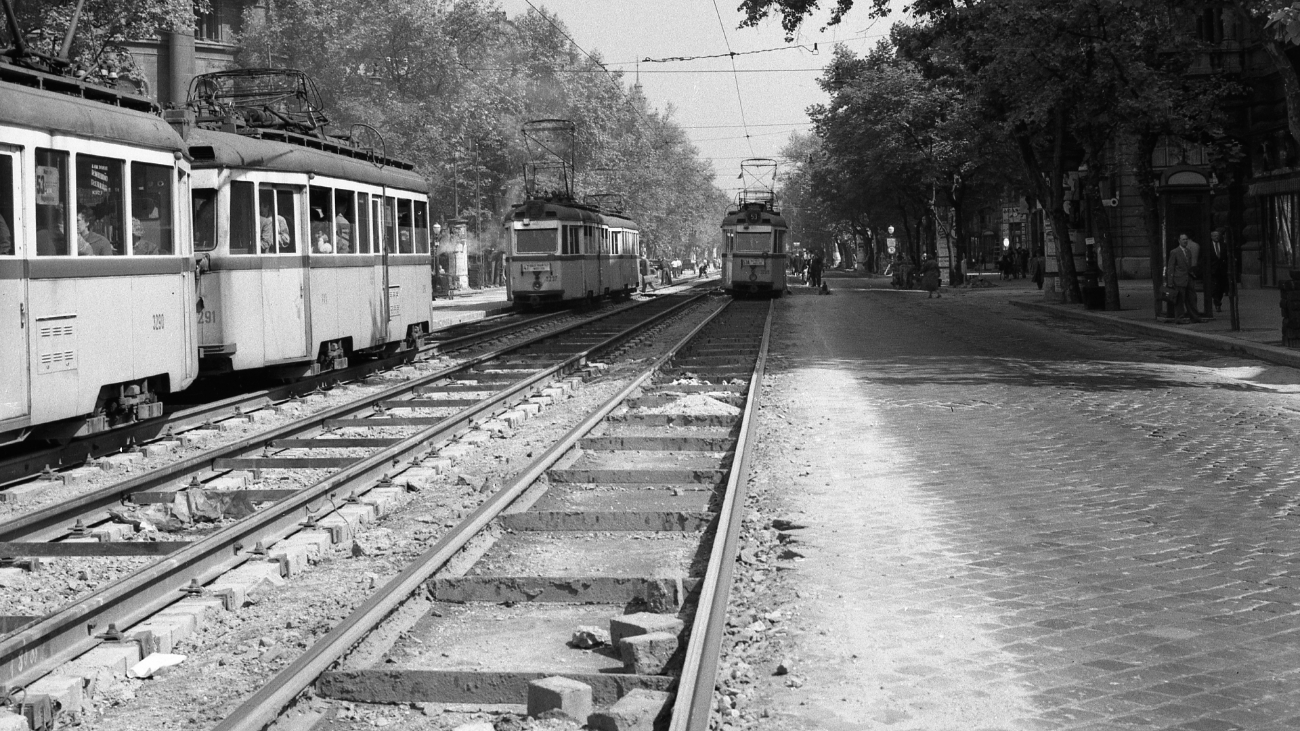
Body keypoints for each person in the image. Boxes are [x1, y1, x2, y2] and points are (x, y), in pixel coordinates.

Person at [1168, 233, 1200, 324]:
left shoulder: (1188, 251)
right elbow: (1171, 267)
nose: (1185, 241)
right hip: (1179, 279)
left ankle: (1195, 317)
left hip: (1188, 278)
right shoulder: (1174, 252)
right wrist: (1170, 282)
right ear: (1179, 241)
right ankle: (1179, 318)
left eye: (1186, 239)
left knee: (1192, 298)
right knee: (1179, 300)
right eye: (1183, 239)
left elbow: (1188, 266)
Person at [1203, 229, 1229, 317]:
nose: (1216, 237)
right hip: (1212, 270)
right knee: (1214, 287)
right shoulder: (1208, 246)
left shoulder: (1224, 245)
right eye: (1214, 236)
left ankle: (1218, 300)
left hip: (1222, 270)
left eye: (1218, 236)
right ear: (1211, 237)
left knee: (1221, 288)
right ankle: (1217, 303)